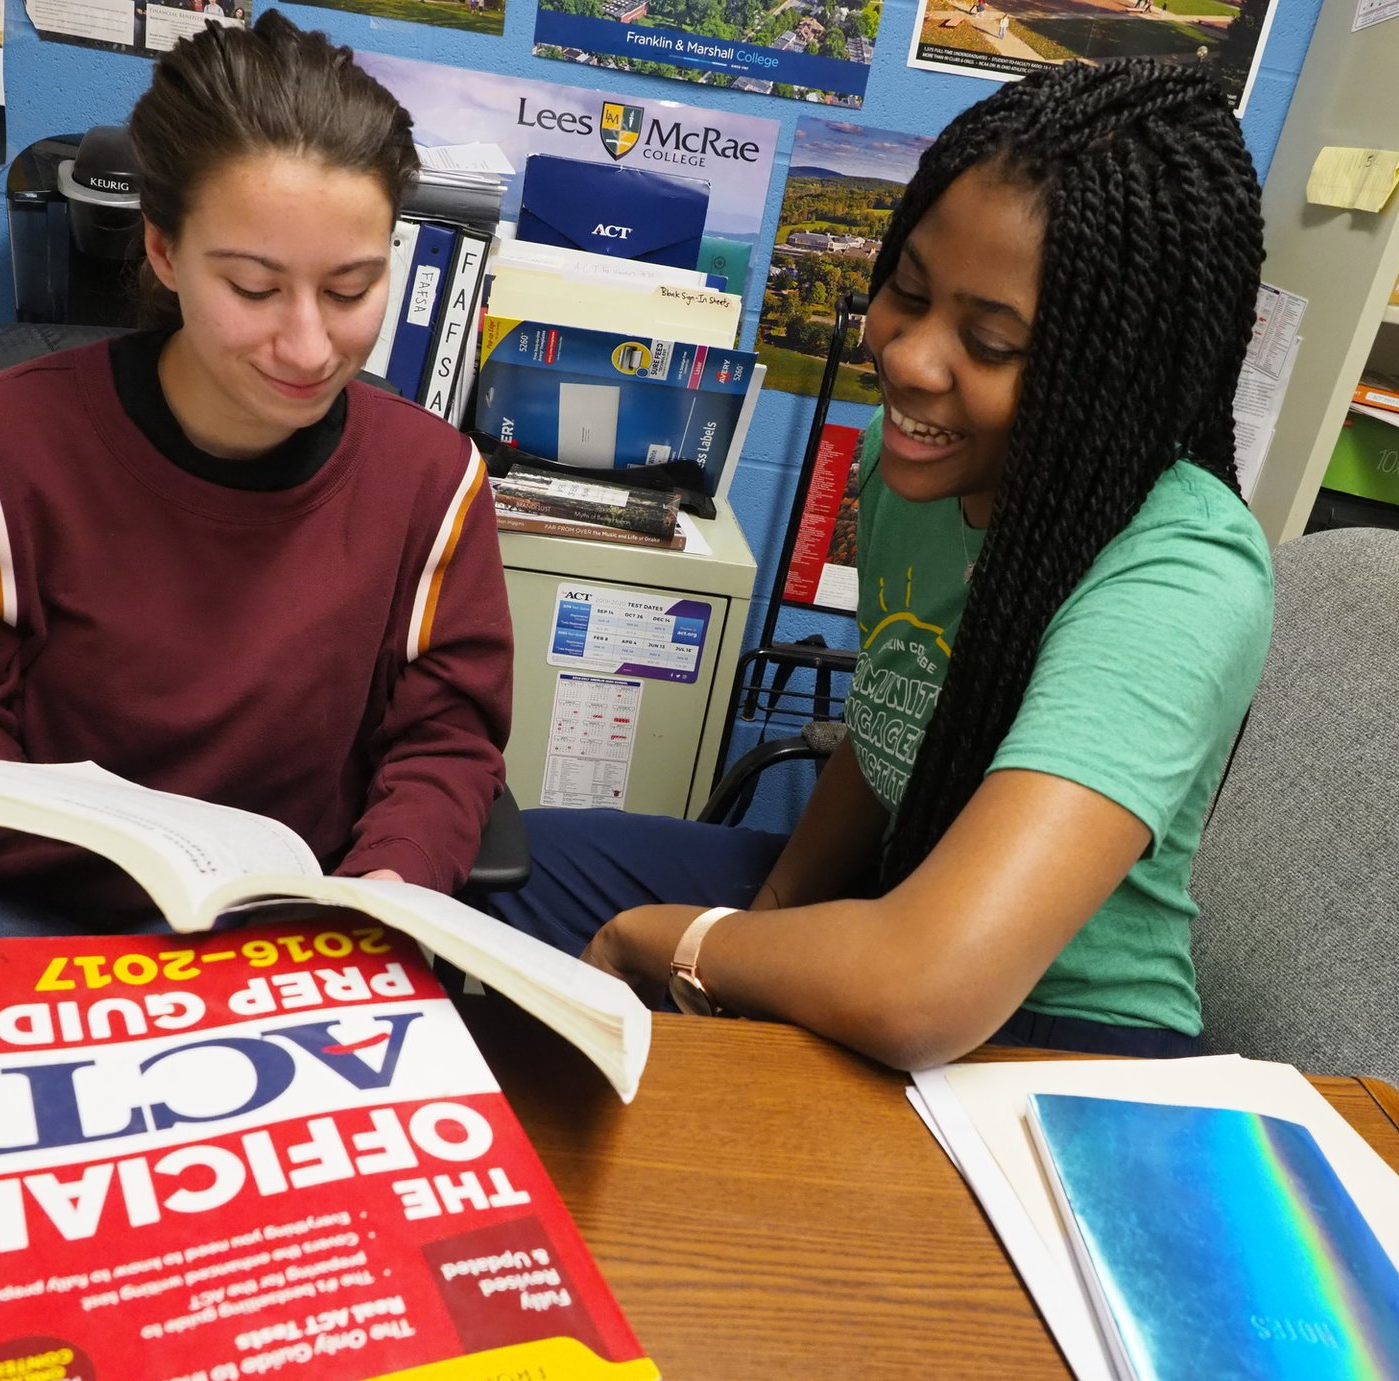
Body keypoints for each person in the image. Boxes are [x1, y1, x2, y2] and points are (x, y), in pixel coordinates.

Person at [483, 59, 1273, 1070]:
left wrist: (677, 943)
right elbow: (893, 718)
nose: (906, 358)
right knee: (512, 871)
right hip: (895, 904)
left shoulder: (1183, 575)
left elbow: (926, 991)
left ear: (1115, 374)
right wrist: (768, 915)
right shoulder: (912, 474)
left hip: (1055, 1029)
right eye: (907, 291)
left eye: (990, 342)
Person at [0, 15, 511, 937]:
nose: (309, 347)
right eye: (253, 288)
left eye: (351, 289)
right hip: (14, 900)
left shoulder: (430, 482)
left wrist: (390, 887)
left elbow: (444, 742)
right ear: (163, 251)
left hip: (271, 923)